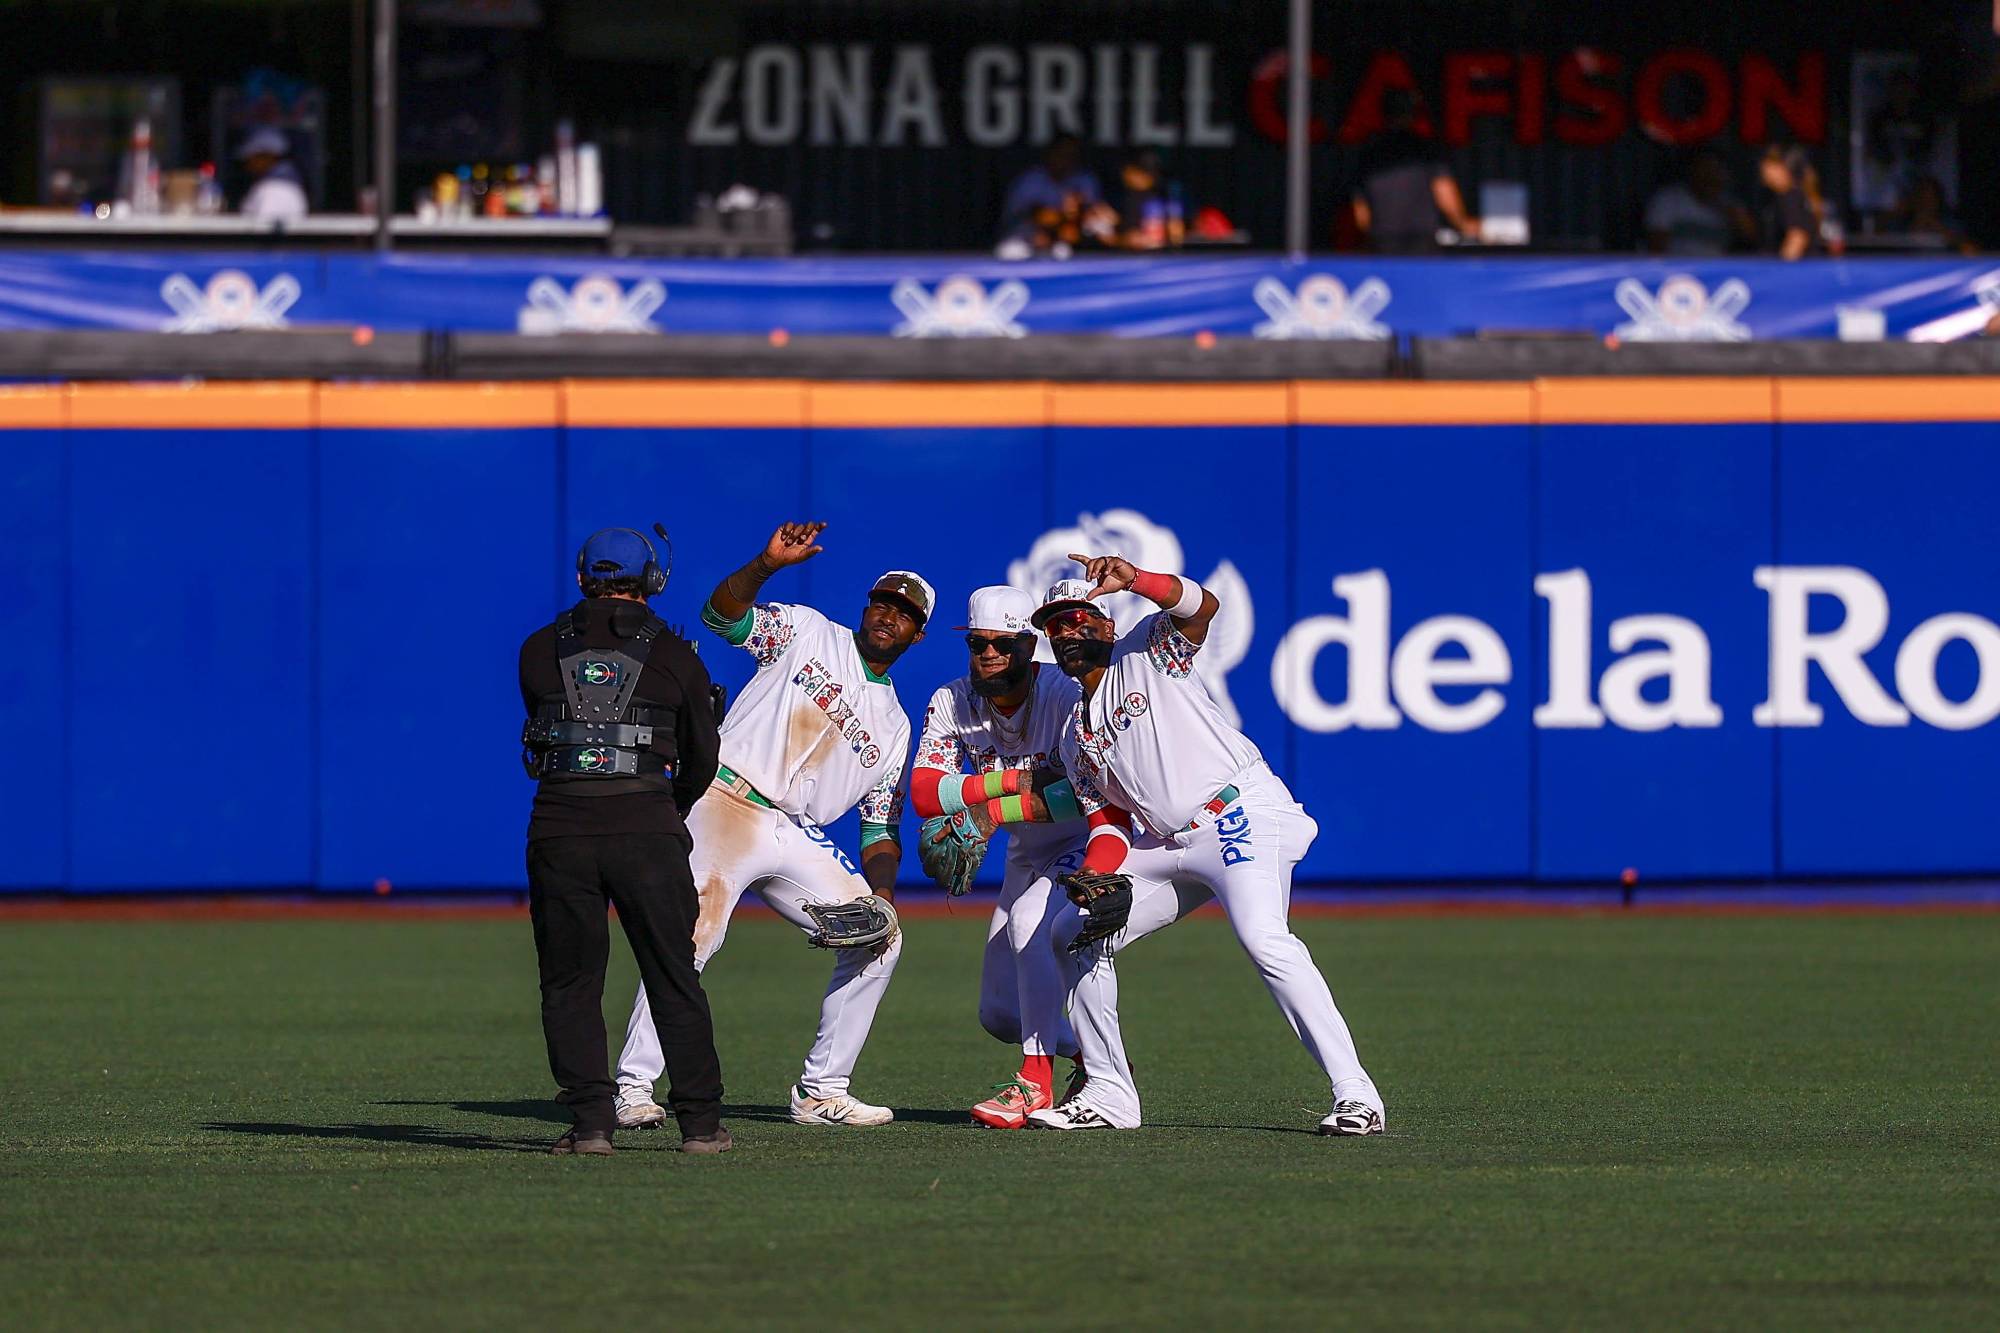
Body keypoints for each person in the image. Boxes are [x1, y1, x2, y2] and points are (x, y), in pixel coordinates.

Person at [1021, 564, 1383, 1136]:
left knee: (1264, 939)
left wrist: (1135, 577)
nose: (1067, 632)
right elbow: (1111, 821)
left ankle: (1356, 1095)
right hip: (1167, 842)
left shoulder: (1144, 652)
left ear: (1106, 627)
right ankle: (1110, 1093)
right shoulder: (1073, 735)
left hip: (1238, 813)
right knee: (1071, 929)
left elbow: (1202, 607)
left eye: (1079, 619)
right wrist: (1096, 875)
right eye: (1056, 626)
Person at [614, 521, 926, 1130]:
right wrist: (764, 564)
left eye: (904, 613)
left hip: (795, 831)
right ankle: (631, 1087)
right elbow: (719, 617)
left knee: (882, 938)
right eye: (882, 603)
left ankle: (822, 1091)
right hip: (726, 798)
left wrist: (884, 896)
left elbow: (878, 825)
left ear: (918, 632)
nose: (889, 616)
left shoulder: (894, 725)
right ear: (866, 607)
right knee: (694, 935)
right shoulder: (809, 632)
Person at [517, 527, 728, 1156]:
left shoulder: (536, 650)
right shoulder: (675, 655)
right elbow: (701, 756)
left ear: (583, 577)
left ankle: (590, 1126)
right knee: (672, 975)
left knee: (570, 982)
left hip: (560, 828)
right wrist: (668, 806)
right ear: (653, 581)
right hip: (646, 829)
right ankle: (700, 1126)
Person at [907, 586, 1088, 1128]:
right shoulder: (953, 700)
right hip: (1026, 849)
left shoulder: (1064, 694)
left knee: (1029, 925)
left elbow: (1077, 793)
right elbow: (922, 792)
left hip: (1085, 839)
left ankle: (1034, 1084)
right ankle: (1094, 1059)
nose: (988, 654)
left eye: (1003, 645)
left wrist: (985, 809)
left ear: (1030, 648)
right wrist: (1015, 782)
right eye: (978, 643)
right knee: (999, 1013)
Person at [1351, 90, 1478, 253]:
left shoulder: (1369, 153)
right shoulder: (1425, 149)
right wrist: (1463, 224)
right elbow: (1444, 191)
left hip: (1383, 242)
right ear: (1413, 115)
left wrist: (1372, 238)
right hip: (1420, 242)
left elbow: (1361, 213)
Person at [998, 133, 1117, 256]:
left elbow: (1097, 213)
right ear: (1050, 154)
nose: (1065, 160)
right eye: (1061, 154)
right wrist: (1062, 218)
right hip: (1026, 236)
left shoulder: (1085, 180)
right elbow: (1033, 215)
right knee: (1012, 251)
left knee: (1099, 230)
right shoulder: (1031, 180)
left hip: (1066, 239)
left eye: (1070, 155)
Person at [1644, 151, 1755, 256]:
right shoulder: (1669, 199)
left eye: (1715, 172)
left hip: (1718, 271)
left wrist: (1735, 216)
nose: (1709, 178)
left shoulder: (1729, 204)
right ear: (1692, 172)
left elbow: (1753, 240)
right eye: (1704, 171)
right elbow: (1656, 249)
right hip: (1678, 271)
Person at [1759, 145, 1825, 261]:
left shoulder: (1791, 198)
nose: (1763, 172)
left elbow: (1797, 236)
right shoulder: (1788, 196)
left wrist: (1781, 271)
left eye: (1768, 166)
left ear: (1781, 168)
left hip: (1799, 271)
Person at [235, 128, 309, 223]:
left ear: (267, 156)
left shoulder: (276, 188)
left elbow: (264, 231)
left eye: (252, 158)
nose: (248, 163)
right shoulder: (278, 185)